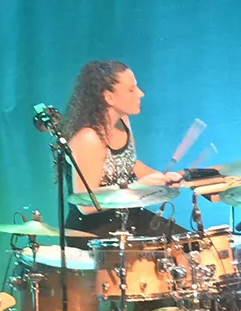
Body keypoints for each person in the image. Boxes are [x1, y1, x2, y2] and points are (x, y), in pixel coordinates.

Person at [61, 60, 183, 237]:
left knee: (191, 244)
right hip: (94, 231)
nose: (141, 93)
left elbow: (128, 164)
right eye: (131, 89)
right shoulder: (88, 138)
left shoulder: (123, 121)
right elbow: (86, 205)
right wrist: (139, 187)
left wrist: (162, 179)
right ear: (109, 97)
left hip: (127, 217)